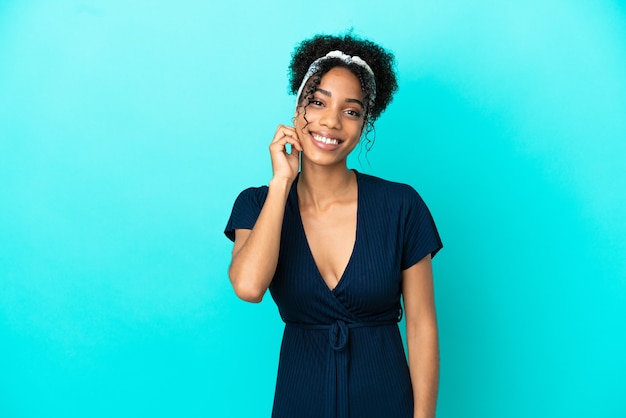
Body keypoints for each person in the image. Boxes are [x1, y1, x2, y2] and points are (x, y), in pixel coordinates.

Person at [224, 33, 443, 418]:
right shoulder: (256, 203)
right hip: (300, 401)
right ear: (297, 107)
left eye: (351, 111)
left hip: (385, 402)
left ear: (364, 124)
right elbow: (248, 286)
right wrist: (281, 184)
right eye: (318, 102)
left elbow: (422, 326)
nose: (331, 121)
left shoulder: (400, 205)